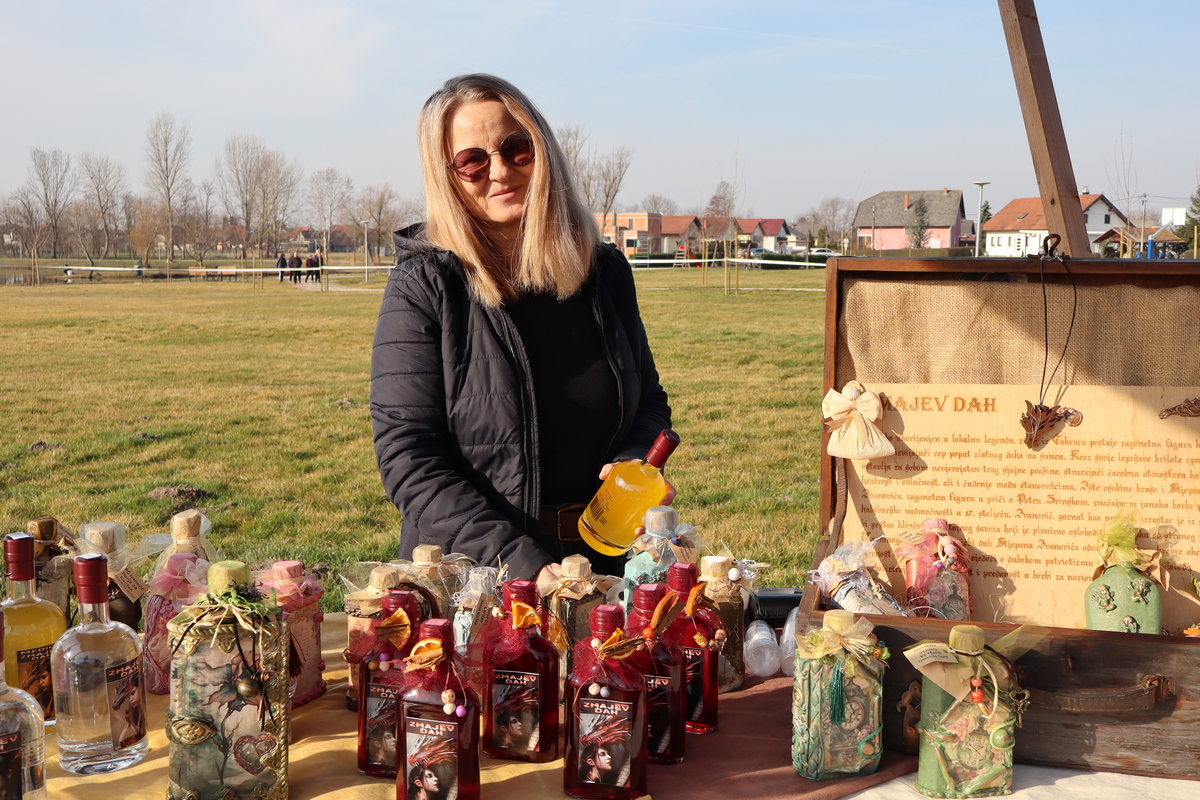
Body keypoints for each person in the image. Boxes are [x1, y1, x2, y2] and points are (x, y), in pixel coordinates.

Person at [370, 74, 672, 585]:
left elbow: (649, 402)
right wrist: (519, 559)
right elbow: (408, 456)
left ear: (542, 149)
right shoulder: (424, 284)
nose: (501, 171)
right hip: (477, 576)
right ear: (448, 177)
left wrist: (634, 459)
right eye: (473, 161)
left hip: (603, 563)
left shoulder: (604, 273)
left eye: (516, 148)